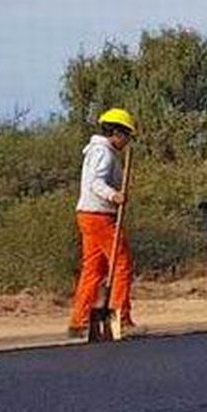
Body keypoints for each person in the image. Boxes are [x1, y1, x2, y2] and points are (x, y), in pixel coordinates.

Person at [68, 108, 138, 338]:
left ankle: (80, 321)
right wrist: (114, 196)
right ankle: (121, 317)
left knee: (94, 268)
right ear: (117, 133)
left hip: (89, 214)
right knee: (121, 262)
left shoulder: (99, 151)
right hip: (99, 215)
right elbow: (95, 184)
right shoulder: (103, 153)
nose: (127, 141)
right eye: (126, 136)